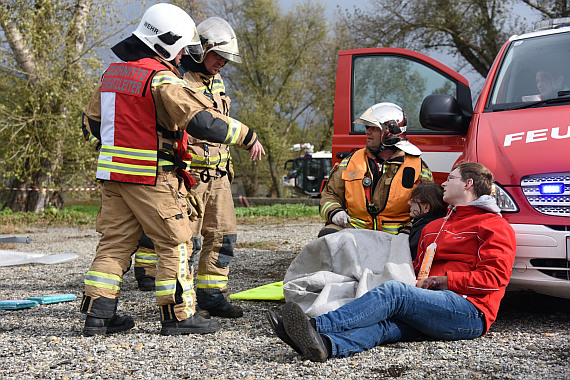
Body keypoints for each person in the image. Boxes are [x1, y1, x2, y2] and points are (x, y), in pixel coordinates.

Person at [80, 3, 262, 336]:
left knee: (114, 245)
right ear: (165, 42)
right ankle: (178, 317)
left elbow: (91, 122)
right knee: (176, 242)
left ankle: (98, 317)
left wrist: (120, 145)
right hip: (150, 176)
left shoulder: (112, 74)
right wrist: (247, 135)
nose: (182, 56)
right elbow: (203, 123)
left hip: (112, 176)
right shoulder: (161, 77)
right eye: (180, 48)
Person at [266, 162, 516, 362]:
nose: (443, 183)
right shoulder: (434, 227)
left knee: (395, 293)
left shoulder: (494, 226)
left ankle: (313, 326)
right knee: (384, 327)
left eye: (451, 178)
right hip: (430, 306)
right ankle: (325, 346)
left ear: (468, 184)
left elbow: (494, 280)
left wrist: (443, 280)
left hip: (470, 312)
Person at [134, 17, 263, 319]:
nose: (223, 63)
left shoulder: (216, 81)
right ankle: (182, 302)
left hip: (219, 175)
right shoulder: (176, 78)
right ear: (199, 49)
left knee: (223, 237)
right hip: (189, 176)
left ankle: (212, 296)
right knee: (183, 240)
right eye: (218, 55)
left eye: (226, 58)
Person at [318, 102, 433, 238]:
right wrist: (334, 211)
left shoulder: (417, 167)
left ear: (390, 131)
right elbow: (330, 194)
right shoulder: (351, 161)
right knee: (328, 236)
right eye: (367, 127)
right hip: (355, 232)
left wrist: (409, 231)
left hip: (398, 237)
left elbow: (428, 209)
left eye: (373, 128)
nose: (367, 132)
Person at [400, 182, 447, 260]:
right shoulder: (421, 222)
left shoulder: (424, 230)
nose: (409, 203)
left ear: (426, 207)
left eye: (414, 201)